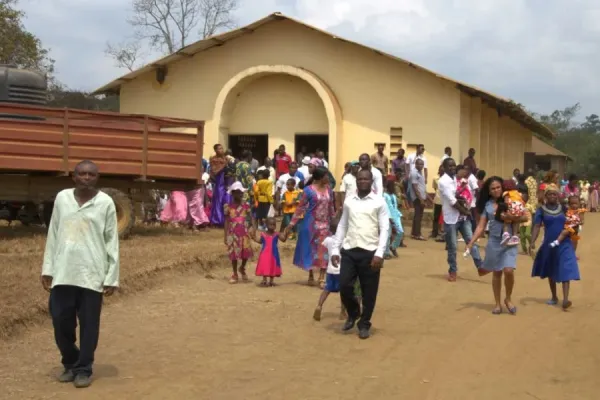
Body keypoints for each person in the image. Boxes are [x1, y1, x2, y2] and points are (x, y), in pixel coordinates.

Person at [41, 160, 119, 388]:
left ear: (97, 177)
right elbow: (53, 233)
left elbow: (111, 240)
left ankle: (84, 368)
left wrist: (111, 276)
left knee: (89, 325)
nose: (86, 178)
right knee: (60, 321)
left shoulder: (105, 203)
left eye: (91, 174)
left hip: (92, 274)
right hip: (63, 272)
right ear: (73, 177)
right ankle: (70, 361)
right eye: (82, 174)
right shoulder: (62, 198)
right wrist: (48, 269)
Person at [330, 169, 389, 340]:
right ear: (356, 181)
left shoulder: (379, 202)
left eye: (366, 179)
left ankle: (364, 323)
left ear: (371, 181)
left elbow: (384, 228)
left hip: (370, 252)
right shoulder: (349, 201)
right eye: (360, 179)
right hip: (349, 249)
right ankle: (353, 312)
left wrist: (380, 253)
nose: (363, 181)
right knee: (344, 285)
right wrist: (335, 248)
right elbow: (342, 225)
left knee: (369, 291)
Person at [466, 176, 526, 314]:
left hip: (510, 240)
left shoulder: (510, 199)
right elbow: (481, 227)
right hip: (494, 242)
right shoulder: (487, 205)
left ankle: (508, 299)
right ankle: (498, 303)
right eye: (493, 188)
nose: (496, 190)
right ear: (489, 191)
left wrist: (511, 217)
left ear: (502, 187)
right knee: (497, 273)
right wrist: (471, 243)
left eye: (498, 187)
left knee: (509, 271)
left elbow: (525, 217)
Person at [530, 184, 580, 310]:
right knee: (550, 269)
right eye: (550, 194)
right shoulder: (541, 210)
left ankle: (565, 299)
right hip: (549, 244)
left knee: (565, 268)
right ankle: (554, 296)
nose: (553, 196)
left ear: (558, 196)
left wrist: (575, 231)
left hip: (565, 243)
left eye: (554, 194)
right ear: (546, 196)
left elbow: (573, 221)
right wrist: (532, 241)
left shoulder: (564, 208)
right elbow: (536, 226)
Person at [283, 166, 335, 288]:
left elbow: (331, 207)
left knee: (324, 250)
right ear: (319, 178)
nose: (328, 178)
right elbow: (300, 207)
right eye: (325, 176)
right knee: (312, 250)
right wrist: (291, 224)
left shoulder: (329, 190)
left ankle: (322, 277)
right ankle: (311, 273)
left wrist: (334, 222)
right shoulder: (308, 190)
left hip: (325, 225)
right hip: (311, 224)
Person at [438, 158, 483, 282]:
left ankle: (480, 266)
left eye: (454, 166)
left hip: (462, 218)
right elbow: (452, 201)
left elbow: (456, 195)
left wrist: (463, 201)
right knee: (452, 246)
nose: (453, 168)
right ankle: (452, 271)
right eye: (450, 166)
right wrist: (466, 211)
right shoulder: (443, 181)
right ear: (444, 167)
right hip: (451, 218)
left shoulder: (454, 178)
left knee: (471, 241)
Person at [313, 218, 346, 321]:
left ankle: (319, 306)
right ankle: (342, 312)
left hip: (330, 269)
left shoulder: (328, 240)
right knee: (344, 292)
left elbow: (323, 245)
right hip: (341, 270)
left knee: (327, 289)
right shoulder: (344, 240)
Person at [223, 182, 253, 284]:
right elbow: (227, 221)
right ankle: (235, 273)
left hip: (244, 232)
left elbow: (251, 218)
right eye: (236, 192)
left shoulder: (246, 205)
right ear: (232, 193)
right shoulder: (228, 207)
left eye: (240, 192)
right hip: (233, 233)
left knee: (246, 253)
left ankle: (242, 268)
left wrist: (253, 228)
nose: (239, 194)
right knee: (234, 254)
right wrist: (225, 235)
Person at [250, 217, 285, 287]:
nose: (272, 226)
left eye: (274, 225)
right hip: (265, 254)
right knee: (265, 265)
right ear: (266, 225)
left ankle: (271, 281)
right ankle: (264, 280)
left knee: (273, 265)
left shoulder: (277, 234)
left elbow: (283, 239)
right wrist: (253, 237)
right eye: (270, 224)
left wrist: (286, 233)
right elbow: (260, 241)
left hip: (274, 254)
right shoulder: (263, 234)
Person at [209, 144, 232, 226]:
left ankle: (227, 220)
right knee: (219, 201)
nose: (221, 150)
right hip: (219, 183)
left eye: (222, 148)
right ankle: (217, 221)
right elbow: (214, 172)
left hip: (227, 182)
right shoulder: (214, 159)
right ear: (215, 150)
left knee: (227, 200)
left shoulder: (226, 158)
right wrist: (224, 165)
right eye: (219, 149)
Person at [499, 179, 525, 247]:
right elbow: (522, 200)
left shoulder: (506, 193)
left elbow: (506, 202)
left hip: (512, 207)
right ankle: (515, 236)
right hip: (520, 208)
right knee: (516, 222)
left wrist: (505, 210)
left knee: (506, 221)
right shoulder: (518, 193)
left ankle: (506, 234)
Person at [383, 179, 403, 259]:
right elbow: (386, 207)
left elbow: (395, 206)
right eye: (392, 186)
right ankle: (386, 252)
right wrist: (389, 218)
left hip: (396, 216)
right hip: (388, 217)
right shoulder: (384, 195)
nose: (394, 188)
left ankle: (393, 246)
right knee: (387, 235)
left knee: (400, 232)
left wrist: (398, 214)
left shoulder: (394, 196)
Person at [409, 158, 427, 240]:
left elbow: (421, 186)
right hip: (417, 198)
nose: (421, 166)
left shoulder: (420, 172)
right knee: (418, 216)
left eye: (422, 164)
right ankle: (417, 234)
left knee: (418, 216)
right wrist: (421, 199)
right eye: (419, 164)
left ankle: (414, 233)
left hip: (421, 196)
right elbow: (415, 187)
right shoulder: (414, 173)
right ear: (415, 164)